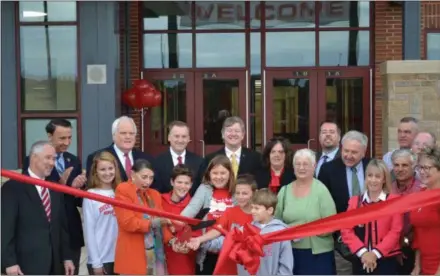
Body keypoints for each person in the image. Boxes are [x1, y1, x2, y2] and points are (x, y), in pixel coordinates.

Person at [22, 119, 86, 274]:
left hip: (70, 228)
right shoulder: (33, 159)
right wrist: (61, 185)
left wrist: (80, 189)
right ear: (50, 136)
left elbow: (76, 199)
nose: (67, 142)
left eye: (69, 137)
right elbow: (31, 194)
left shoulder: (73, 160)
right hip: (46, 229)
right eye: (62, 138)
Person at [1, 141, 74, 275]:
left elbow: (61, 227)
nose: (52, 163)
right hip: (25, 265)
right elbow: (5, 227)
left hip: (55, 265)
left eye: (54, 159)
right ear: (34, 157)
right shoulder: (13, 187)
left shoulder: (55, 188)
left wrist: (67, 257)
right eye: (48, 158)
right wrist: (9, 262)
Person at [113, 159, 180, 275]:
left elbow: (162, 224)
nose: (148, 181)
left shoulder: (154, 194)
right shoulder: (124, 189)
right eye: (144, 177)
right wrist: (154, 223)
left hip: (156, 256)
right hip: (133, 255)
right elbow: (128, 222)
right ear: (133, 175)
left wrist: (172, 241)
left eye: (151, 178)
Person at [276, 148, 337, 275]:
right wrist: (289, 232)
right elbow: (276, 223)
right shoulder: (284, 191)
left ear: (314, 166)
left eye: (305, 164)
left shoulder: (321, 190)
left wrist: (307, 231)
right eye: (298, 164)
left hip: (318, 255)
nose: (301, 168)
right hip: (289, 252)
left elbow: (332, 224)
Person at [318, 130, 371, 275]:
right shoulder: (328, 169)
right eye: (345, 150)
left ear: (364, 151)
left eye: (354, 152)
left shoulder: (373, 166)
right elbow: (322, 203)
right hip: (341, 239)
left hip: (371, 235)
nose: (348, 155)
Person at [341, 159, 403, 275]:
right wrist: (364, 253)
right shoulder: (355, 202)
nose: (373, 180)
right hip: (361, 259)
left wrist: (375, 254)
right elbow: (346, 230)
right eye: (370, 175)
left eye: (378, 176)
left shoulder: (394, 202)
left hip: (386, 260)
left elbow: (395, 231)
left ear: (384, 179)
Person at [188, 174, 256, 275]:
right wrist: (199, 239)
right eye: (237, 193)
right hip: (230, 265)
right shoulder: (230, 212)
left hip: (250, 265)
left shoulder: (258, 214)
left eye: (245, 193)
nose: (240, 197)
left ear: (254, 193)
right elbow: (218, 229)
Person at [181, 155, 236, 275]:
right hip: (207, 248)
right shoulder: (204, 188)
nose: (219, 177)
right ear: (209, 174)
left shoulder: (237, 191)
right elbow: (191, 209)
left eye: (223, 173)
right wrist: (176, 221)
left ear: (230, 174)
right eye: (215, 173)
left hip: (231, 250)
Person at [193, 116, 261, 195]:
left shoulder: (256, 158)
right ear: (222, 134)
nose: (233, 134)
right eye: (229, 130)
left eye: (237, 131)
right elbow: (203, 183)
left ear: (243, 135)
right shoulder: (210, 159)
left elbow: (260, 185)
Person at [238, 188, 294, 276]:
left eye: (256, 208)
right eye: (252, 207)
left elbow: (286, 263)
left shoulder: (280, 232)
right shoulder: (245, 230)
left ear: (270, 210)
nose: (252, 211)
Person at [83, 151, 122, 275]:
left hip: (121, 257)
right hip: (101, 259)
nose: (107, 173)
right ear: (95, 172)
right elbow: (89, 231)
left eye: (111, 168)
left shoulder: (121, 192)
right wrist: (96, 262)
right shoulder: (90, 195)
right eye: (102, 169)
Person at [86, 116, 154, 182]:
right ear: (113, 136)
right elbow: (91, 184)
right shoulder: (97, 157)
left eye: (131, 133)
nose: (128, 137)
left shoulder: (146, 158)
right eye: (123, 133)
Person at [390, 149, 422, 274]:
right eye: (396, 165)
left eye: (404, 165)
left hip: (415, 248)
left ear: (414, 167)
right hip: (391, 247)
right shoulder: (388, 188)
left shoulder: (421, 190)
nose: (400, 169)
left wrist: (405, 241)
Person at [161, 165, 197, 275]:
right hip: (159, 256)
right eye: (179, 182)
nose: (183, 186)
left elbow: (197, 231)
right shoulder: (160, 199)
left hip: (182, 258)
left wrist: (187, 246)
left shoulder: (194, 205)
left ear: (191, 185)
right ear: (172, 182)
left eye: (186, 183)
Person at [410, 146, 440, 275]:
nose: (422, 172)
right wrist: (417, 266)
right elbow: (418, 232)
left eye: (427, 168)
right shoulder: (420, 195)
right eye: (420, 167)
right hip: (424, 264)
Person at [152, 121, 203, 193]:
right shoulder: (157, 162)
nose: (180, 140)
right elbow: (156, 190)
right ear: (169, 137)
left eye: (184, 136)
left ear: (188, 139)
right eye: (176, 136)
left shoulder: (199, 162)